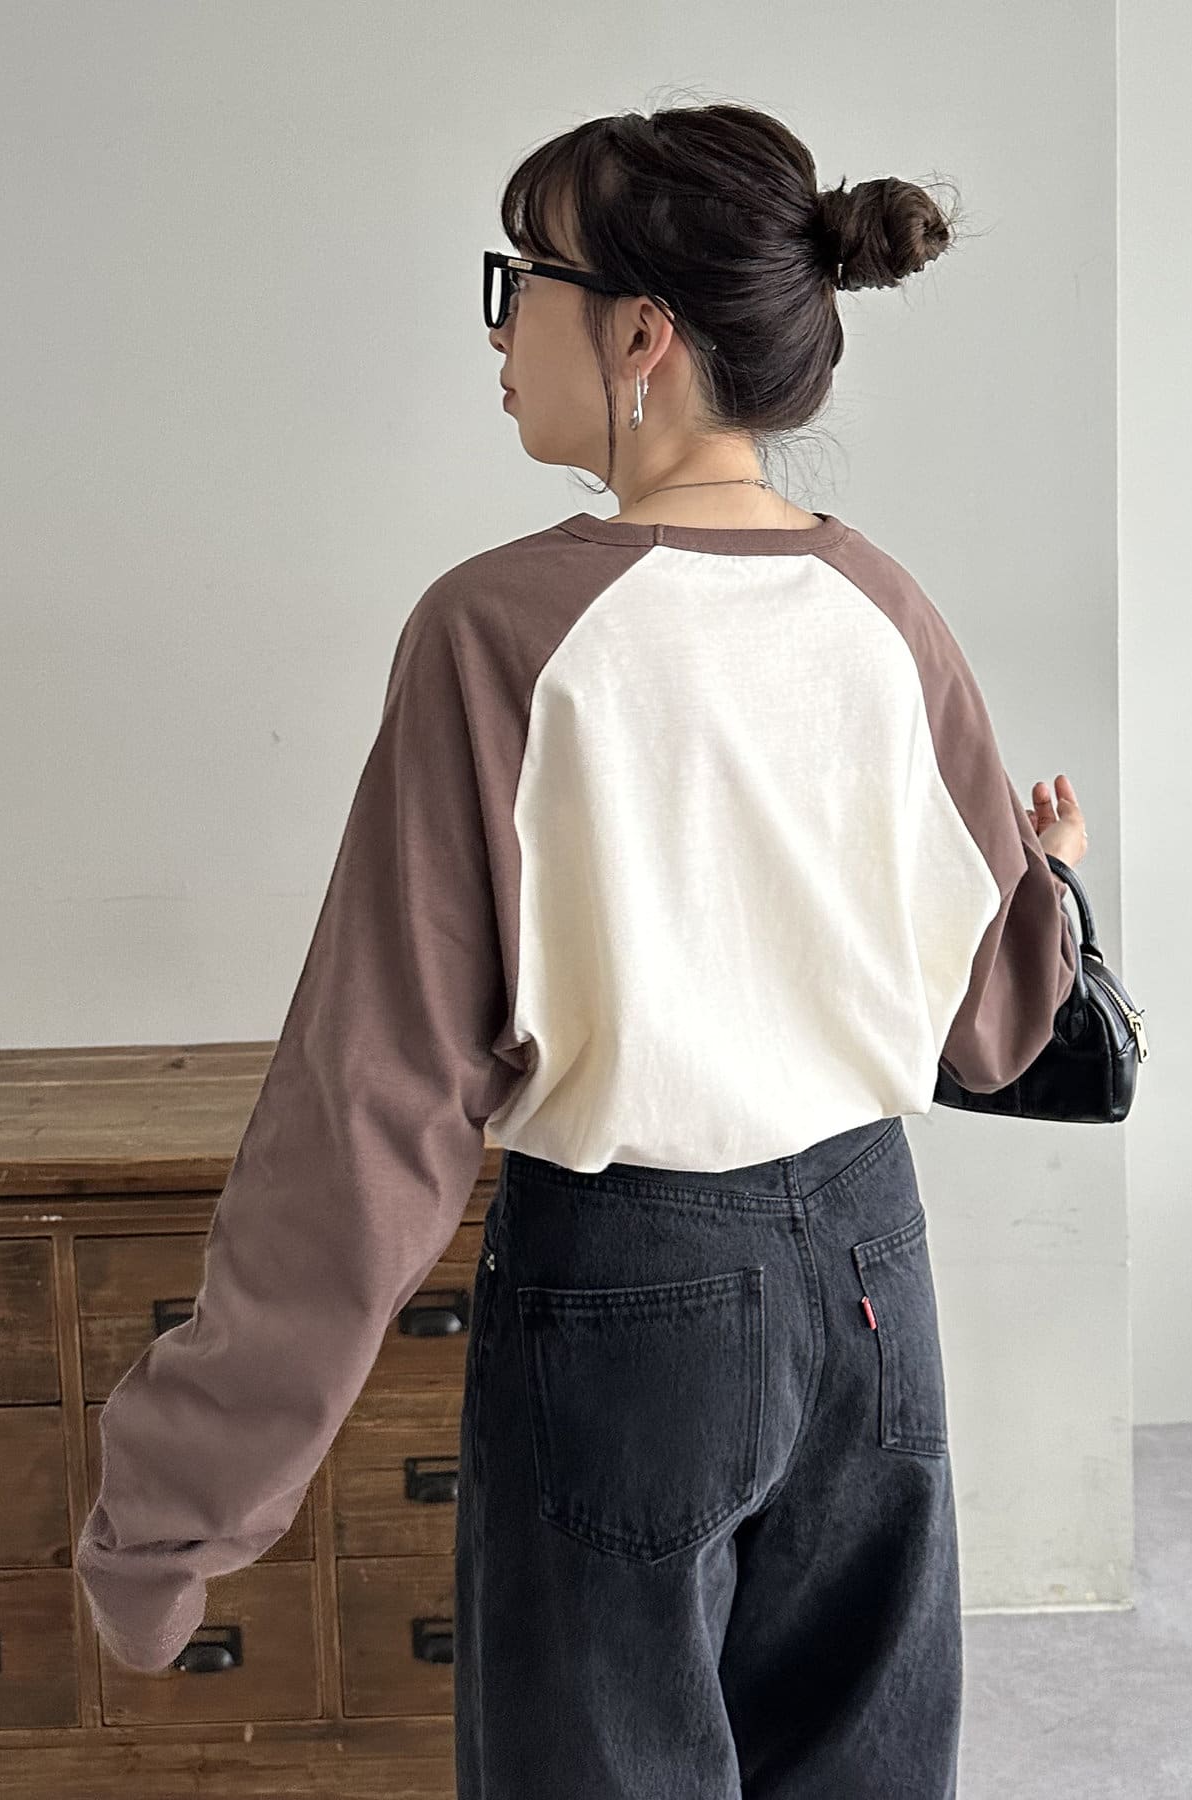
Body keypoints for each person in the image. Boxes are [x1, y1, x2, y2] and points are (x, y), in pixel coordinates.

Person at [76, 98, 1089, 1800]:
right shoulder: (884, 607)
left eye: (520, 279)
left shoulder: (501, 629)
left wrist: (170, 1515)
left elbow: (371, 1114)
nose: (495, 329)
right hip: (873, 1275)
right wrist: (1042, 884)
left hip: (632, 1290)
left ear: (639, 334)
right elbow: (994, 1022)